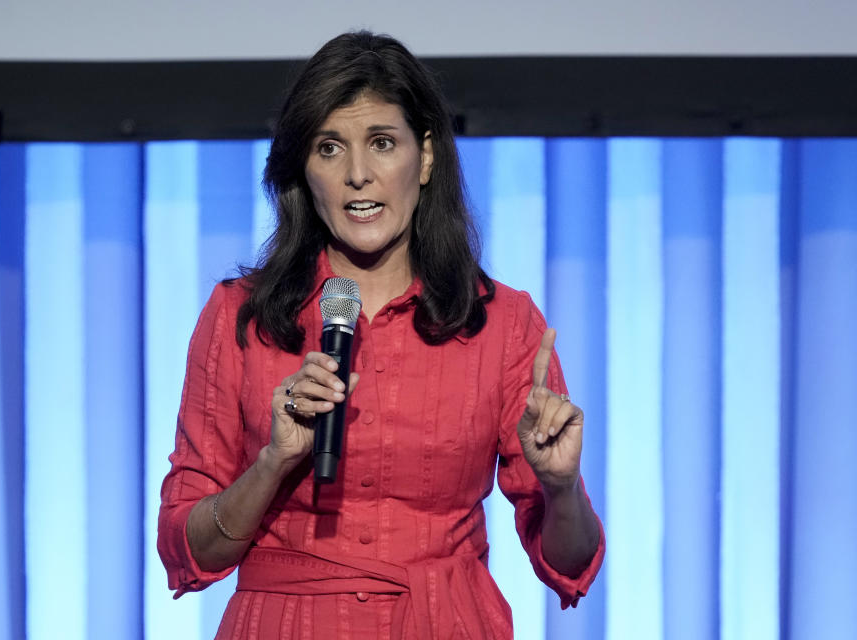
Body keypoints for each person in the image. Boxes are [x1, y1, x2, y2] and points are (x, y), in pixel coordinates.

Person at [158, 30, 604, 639]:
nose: (358, 175)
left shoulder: (502, 322)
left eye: (382, 143)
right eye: (330, 148)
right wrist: (273, 463)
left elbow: (570, 564)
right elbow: (187, 551)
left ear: (423, 159)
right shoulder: (240, 316)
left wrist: (561, 487)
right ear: (303, 170)